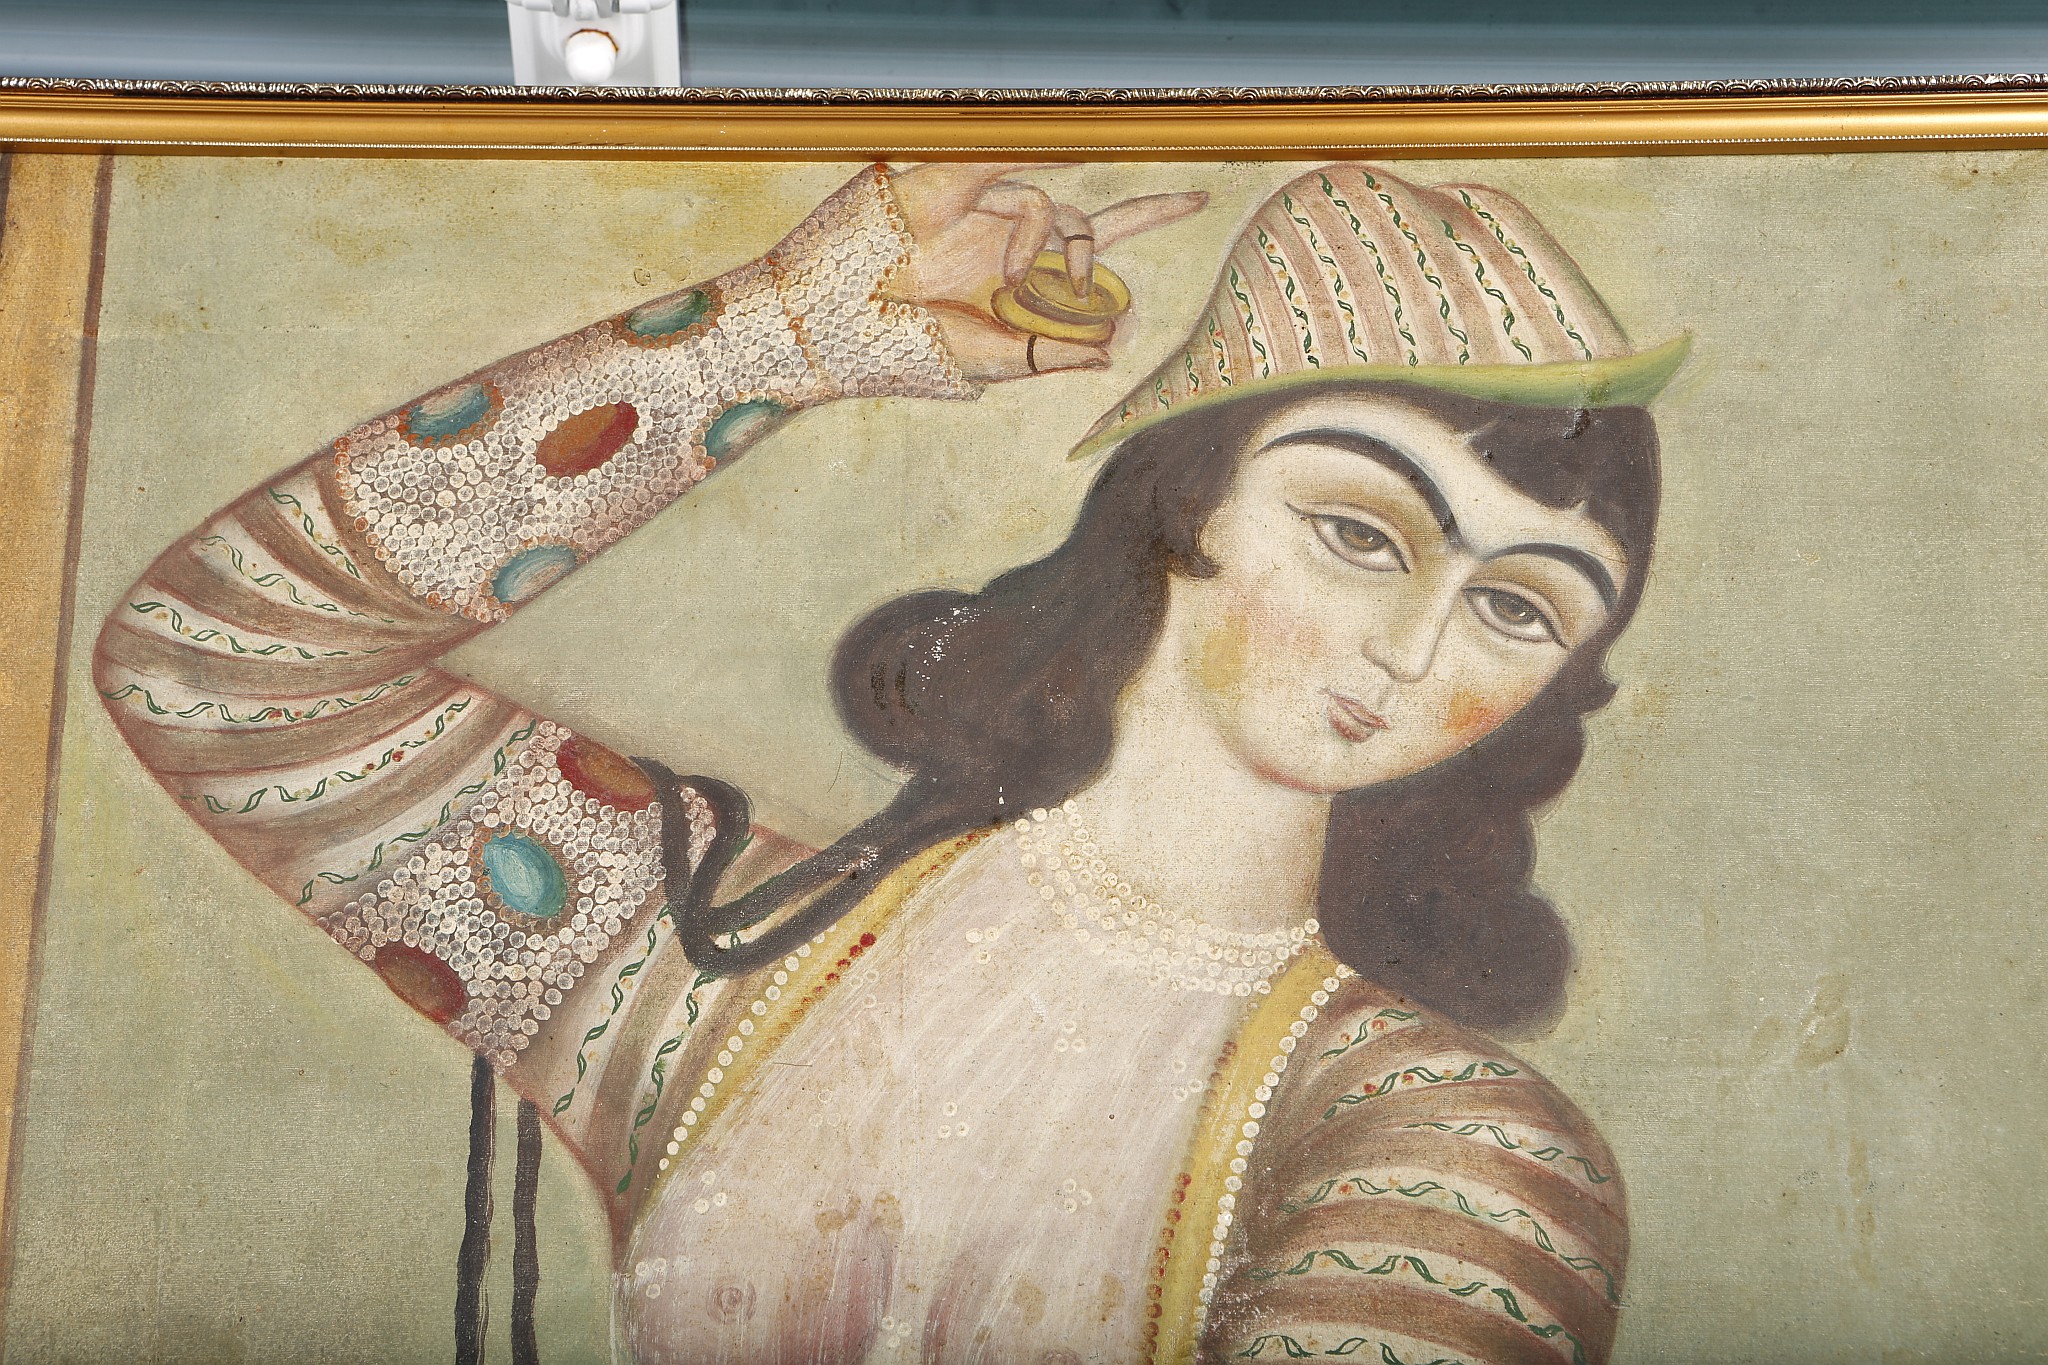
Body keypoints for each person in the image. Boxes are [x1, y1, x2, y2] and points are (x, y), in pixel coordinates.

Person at [96, 160, 1684, 1364]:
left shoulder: (1458, 1139)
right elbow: (215, 664)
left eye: (1517, 607)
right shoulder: (715, 951)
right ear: (1178, 504)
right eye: (1358, 531)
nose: (1413, 649)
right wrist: (782, 333)